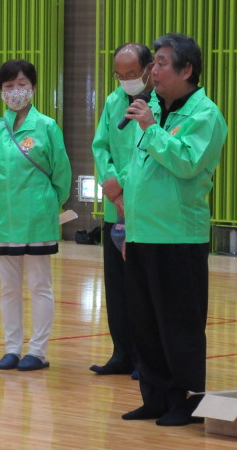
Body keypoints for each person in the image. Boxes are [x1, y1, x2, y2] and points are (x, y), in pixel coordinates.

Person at [119, 33, 228, 426]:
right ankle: (155, 396)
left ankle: (187, 401)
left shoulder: (205, 115)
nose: (153, 71)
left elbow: (186, 163)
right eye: (154, 63)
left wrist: (150, 127)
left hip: (180, 236)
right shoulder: (151, 108)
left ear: (187, 69)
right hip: (142, 233)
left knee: (179, 324)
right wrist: (126, 224)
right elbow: (140, 171)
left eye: (162, 63)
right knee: (144, 324)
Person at [0, 59, 71, 372]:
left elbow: (61, 175)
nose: (15, 91)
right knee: (8, 288)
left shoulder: (47, 126)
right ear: (1, 92)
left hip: (37, 219)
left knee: (39, 286)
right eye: (9, 87)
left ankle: (38, 350)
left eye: (22, 85)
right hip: (5, 220)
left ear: (33, 88)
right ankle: (11, 348)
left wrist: (47, 204)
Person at [90, 43, 158, 377]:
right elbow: (100, 145)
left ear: (148, 68)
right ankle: (121, 353)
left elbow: (144, 150)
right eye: (119, 75)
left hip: (143, 210)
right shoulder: (113, 101)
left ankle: (146, 358)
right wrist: (110, 183)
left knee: (140, 289)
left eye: (131, 74)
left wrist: (124, 184)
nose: (125, 81)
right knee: (115, 288)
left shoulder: (160, 105)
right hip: (115, 208)